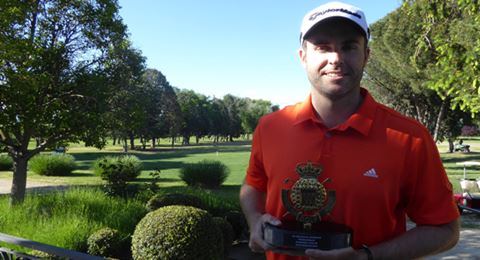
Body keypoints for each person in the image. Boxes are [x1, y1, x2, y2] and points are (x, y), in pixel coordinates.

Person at [239, 2, 460, 260]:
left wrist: (367, 257)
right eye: (322, 46)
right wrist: (254, 219)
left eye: (349, 46)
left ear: (366, 55)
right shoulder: (271, 127)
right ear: (303, 57)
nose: (336, 58)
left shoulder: (410, 137)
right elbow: (253, 185)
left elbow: (445, 230)